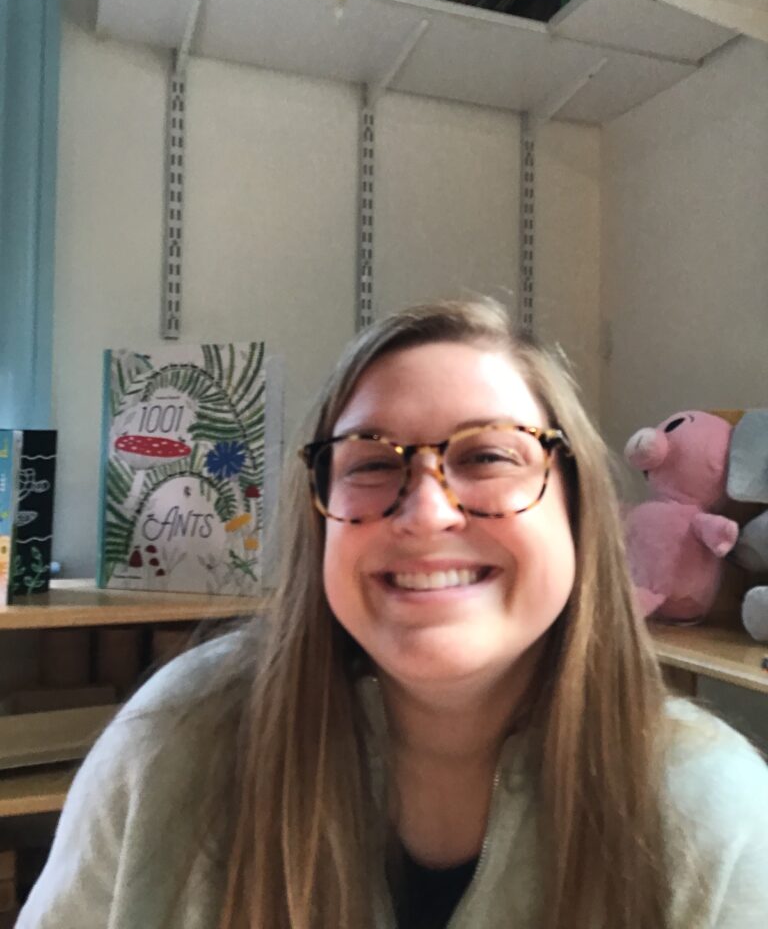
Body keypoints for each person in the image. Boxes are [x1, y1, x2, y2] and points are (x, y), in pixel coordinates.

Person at [18, 297, 768, 929]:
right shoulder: (174, 744)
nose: (427, 511)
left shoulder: (714, 811)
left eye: (489, 457)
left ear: (576, 510)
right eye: (372, 464)